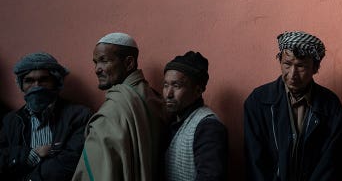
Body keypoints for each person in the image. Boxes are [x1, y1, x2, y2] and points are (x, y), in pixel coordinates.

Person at [244, 31, 342, 181]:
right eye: (287, 64)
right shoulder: (258, 101)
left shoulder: (330, 106)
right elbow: (255, 160)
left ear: (315, 68)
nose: (292, 74)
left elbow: (330, 162)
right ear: (279, 61)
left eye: (301, 66)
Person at [73, 32, 167, 181]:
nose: (97, 69)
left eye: (104, 61)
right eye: (95, 62)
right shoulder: (153, 97)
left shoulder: (113, 110)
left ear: (129, 63)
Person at [0, 52, 92, 181]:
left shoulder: (78, 116)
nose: (36, 86)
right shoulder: (11, 121)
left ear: (56, 82)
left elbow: (72, 160)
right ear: (21, 85)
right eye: (29, 80)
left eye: (44, 79)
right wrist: (32, 154)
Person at [163, 51, 228, 181]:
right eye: (165, 85)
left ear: (198, 90)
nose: (168, 94)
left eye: (176, 86)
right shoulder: (172, 120)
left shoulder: (208, 127)